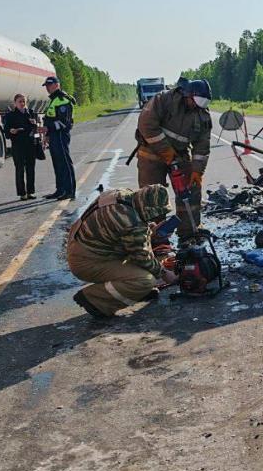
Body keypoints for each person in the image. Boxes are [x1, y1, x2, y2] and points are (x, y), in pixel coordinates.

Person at [66, 184, 178, 319]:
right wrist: (166, 274)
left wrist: (149, 230)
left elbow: (125, 231)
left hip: (82, 243)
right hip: (87, 261)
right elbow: (142, 257)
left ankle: (136, 291)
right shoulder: (130, 221)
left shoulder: (124, 195)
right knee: (145, 280)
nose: (157, 218)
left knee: (148, 258)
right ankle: (94, 299)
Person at [134, 78, 212, 240]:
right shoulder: (164, 100)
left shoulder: (202, 116)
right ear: (187, 95)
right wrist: (168, 155)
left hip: (180, 154)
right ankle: (156, 236)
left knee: (191, 190)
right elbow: (146, 124)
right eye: (194, 103)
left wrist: (197, 171)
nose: (196, 107)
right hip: (151, 153)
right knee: (152, 195)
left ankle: (189, 231)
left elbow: (202, 149)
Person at [41, 75, 76, 200]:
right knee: (57, 163)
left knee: (65, 162)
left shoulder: (63, 100)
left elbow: (64, 123)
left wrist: (48, 129)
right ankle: (60, 189)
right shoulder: (54, 99)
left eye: (50, 85)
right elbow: (50, 118)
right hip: (54, 135)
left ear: (57, 85)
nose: (48, 88)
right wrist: (47, 135)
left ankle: (69, 190)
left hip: (61, 135)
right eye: (46, 86)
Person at [1, 93, 38, 200]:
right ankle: (22, 193)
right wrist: (11, 131)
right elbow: (6, 131)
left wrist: (34, 124)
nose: (22, 103)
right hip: (18, 145)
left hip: (30, 144)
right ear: (15, 103)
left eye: (24, 101)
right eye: (20, 101)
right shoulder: (10, 115)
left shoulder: (31, 113)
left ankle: (31, 192)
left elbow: (35, 130)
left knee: (31, 168)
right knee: (20, 169)